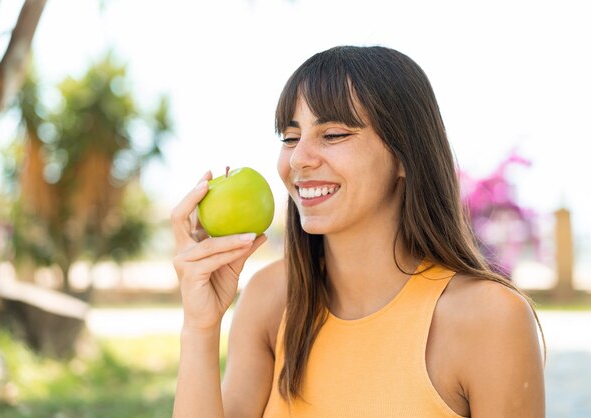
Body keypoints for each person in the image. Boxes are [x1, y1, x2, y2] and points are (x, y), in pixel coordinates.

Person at [171, 46, 545, 418]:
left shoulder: (492, 319)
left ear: (404, 155)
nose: (299, 158)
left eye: (333, 134)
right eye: (289, 137)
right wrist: (200, 327)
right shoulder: (269, 299)